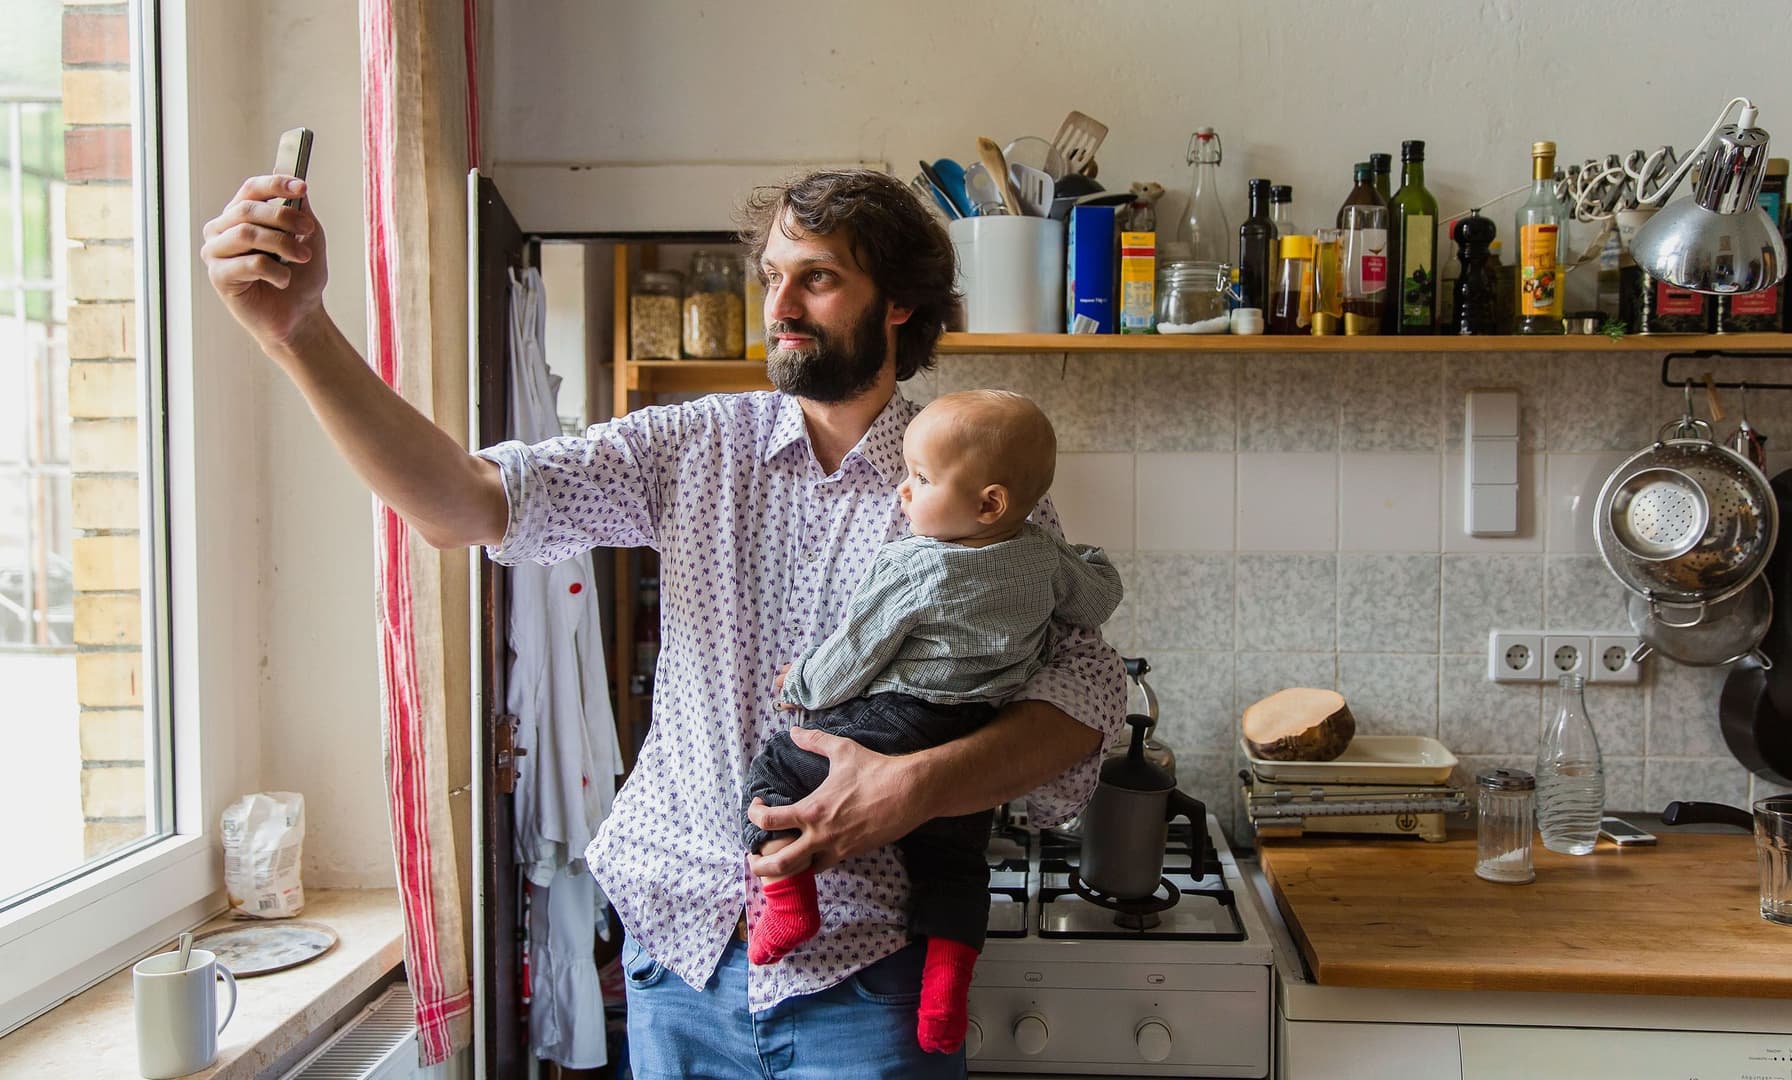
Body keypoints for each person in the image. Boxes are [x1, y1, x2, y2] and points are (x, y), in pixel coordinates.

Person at [198, 167, 1126, 1077]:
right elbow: (466, 504)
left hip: (872, 979)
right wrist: (300, 334)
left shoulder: (972, 489)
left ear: (897, 304)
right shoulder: (691, 444)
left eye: (819, 277)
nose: (781, 304)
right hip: (678, 966)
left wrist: (915, 787)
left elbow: (1085, 694)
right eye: (772, 275)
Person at [747, 389, 1123, 1053]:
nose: (903, 491)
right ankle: (944, 995)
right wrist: (1089, 563)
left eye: (920, 479)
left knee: (777, 769)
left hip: (901, 716)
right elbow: (1097, 602)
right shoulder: (1044, 557)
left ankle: (789, 901)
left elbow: (857, 652)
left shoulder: (911, 563)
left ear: (989, 503)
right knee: (953, 866)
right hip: (976, 735)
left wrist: (801, 684)